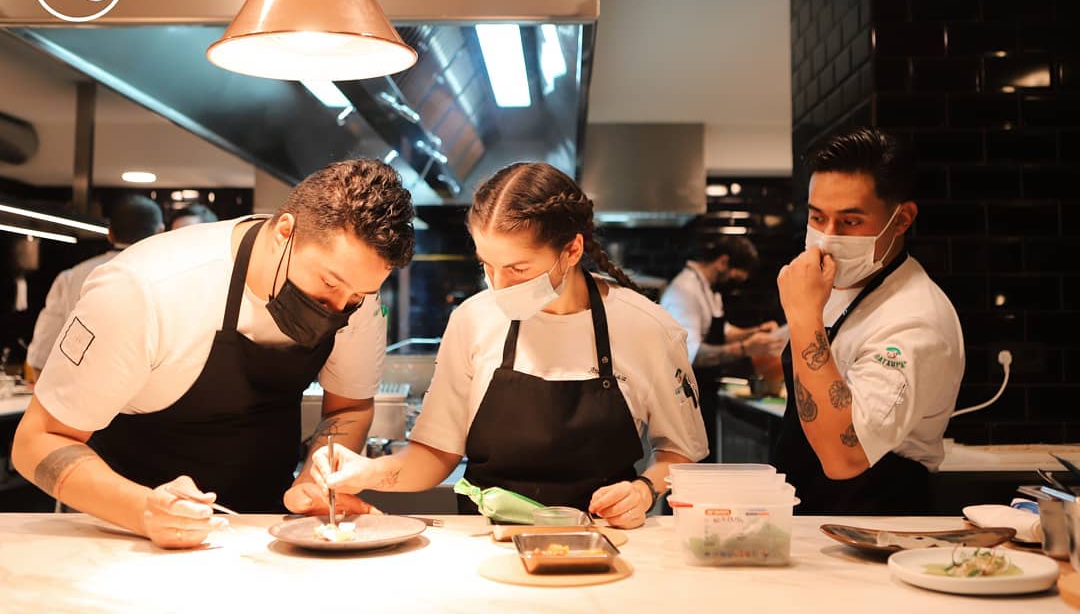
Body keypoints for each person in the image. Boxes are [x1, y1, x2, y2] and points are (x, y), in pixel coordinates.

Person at [12, 160, 414, 548]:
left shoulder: (357, 299)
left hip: (262, 529)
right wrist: (144, 511)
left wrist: (315, 480)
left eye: (356, 297)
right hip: (121, 531)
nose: (339, 308)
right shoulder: (144, 288)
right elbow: (36, 442)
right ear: (285, 232)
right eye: (328, 283)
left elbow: (349, 409)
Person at [310, 162, 707, 529]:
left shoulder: (646, 328)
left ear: (572, 250)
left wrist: (644, 490)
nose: (499, 285)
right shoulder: (472, 320)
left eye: (518, 269)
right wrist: (368, 472)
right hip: (487, 542)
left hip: (603, 540)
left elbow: (681, 452)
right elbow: (436, 453)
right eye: (487, 265)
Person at [772, 128, 964, 514]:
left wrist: (803, 315)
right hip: (812, 519)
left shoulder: (915, 321)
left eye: (850, 222)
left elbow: (846, 456)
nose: (827, 238)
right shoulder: (837, 286)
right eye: (817, 217)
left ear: (902, 219)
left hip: (877, 526)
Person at [660, 236, 786, 461]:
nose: (735, 283)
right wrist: (745, 348)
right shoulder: (685, 291)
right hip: (683, 397)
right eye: (735, 276)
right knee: (690, 465)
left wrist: (756, 331)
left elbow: (723, 331)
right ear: (723, 262)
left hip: (703, 392)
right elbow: (691, 354)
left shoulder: (708, 288)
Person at [25, 195, 165, 381]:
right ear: (160, 232)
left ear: (110, 233)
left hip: (83, 392)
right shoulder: (170, 278)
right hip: (155, 393)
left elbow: (40, 356)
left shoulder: (71, 278)